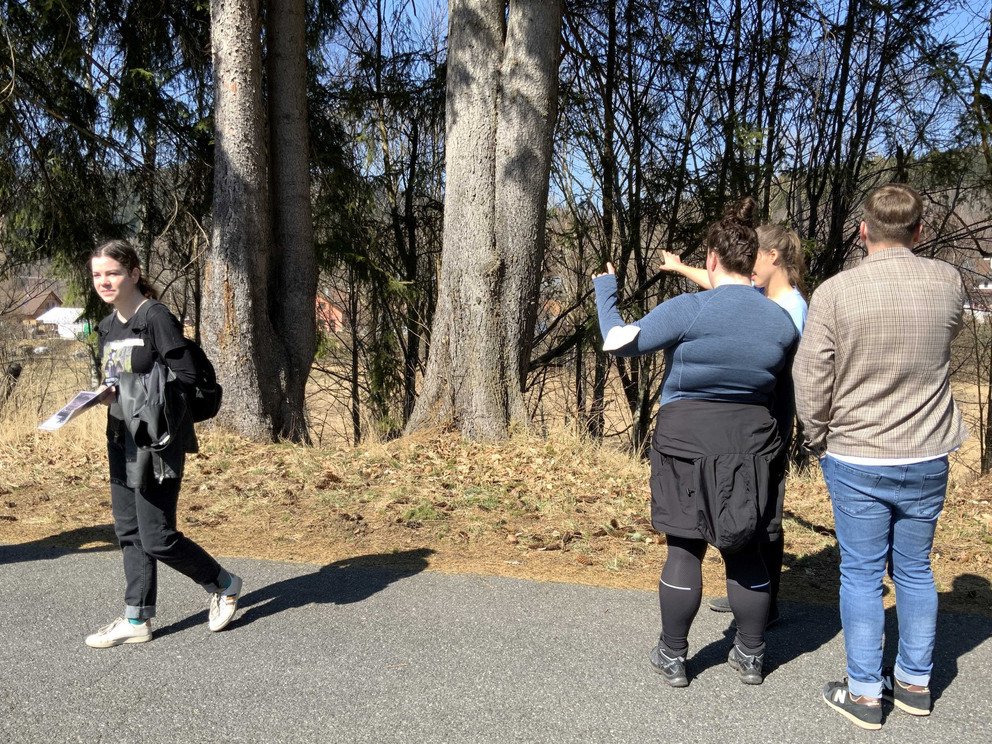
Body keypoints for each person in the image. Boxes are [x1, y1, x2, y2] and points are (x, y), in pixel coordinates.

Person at [593, 198, 799, 687]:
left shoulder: (691, 308)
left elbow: (617, 340)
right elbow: (784, 395)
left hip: (685, 443)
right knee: (746, 549)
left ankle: (674, 656)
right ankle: (750, 656)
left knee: (685, 549)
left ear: (711, 260)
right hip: (751, 447)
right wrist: (781, 449)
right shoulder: (781, 322)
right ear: (752, 263)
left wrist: (606, 292)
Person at [793, 184, 967, 729]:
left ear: (863, 230)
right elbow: (946, 340)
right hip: (927, 448)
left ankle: (866, 693)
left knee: (863, 574)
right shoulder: (947, 281)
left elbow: (811, 374)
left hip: (857, 452)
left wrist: (815, 434)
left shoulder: (836, 292)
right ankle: (915, 684)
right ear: (919, 231)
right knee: (915, 569)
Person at [85, 240, 243, 648]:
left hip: (156, 439)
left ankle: (224, 584)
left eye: (113, 273)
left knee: (156, 535)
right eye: (98, 274)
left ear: (134, 274)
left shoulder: (154, 317)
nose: (104, 281)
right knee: (128, 529)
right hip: (120, 435)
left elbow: (186, 379)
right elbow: (118, 380)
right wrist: (104, 394)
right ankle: (136, 618)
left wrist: (136, 390)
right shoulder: (107, 326)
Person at [661, 226, 808, 624]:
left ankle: (767, 602)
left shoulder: (790, 308)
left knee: (761, 522)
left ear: (773, 256)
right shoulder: (763, 301)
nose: (748, 266)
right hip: (749, 424)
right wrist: (681, 268)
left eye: (754, 256)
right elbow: (724, 286)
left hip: (768, 424)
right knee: (743, 520)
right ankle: (749, 599)